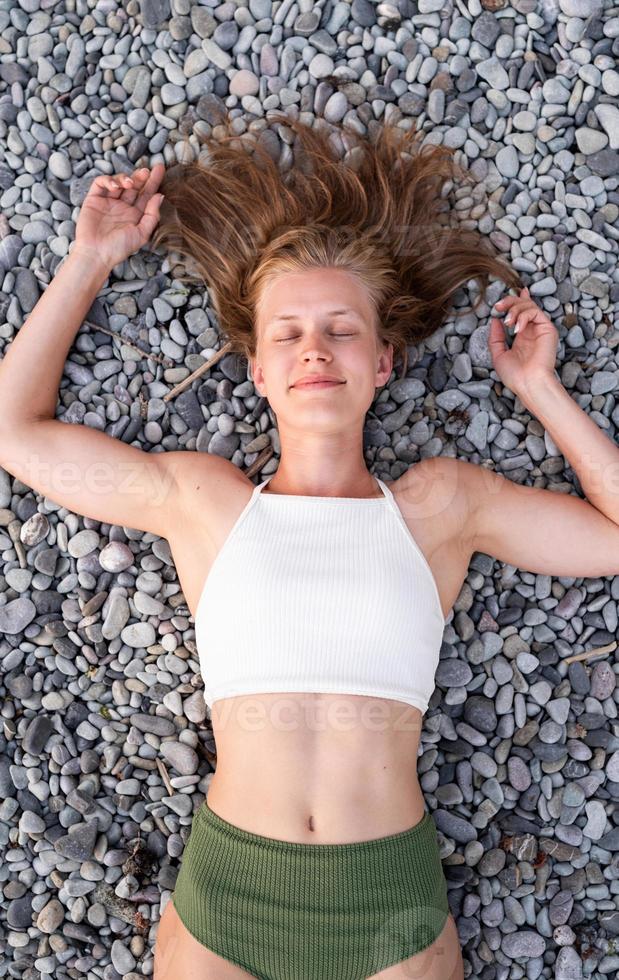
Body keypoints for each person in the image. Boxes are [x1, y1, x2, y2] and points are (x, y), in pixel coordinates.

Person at [1, 111, 617, 980]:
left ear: (383, 363)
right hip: (231, 894)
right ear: (257, 371)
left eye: (341, 330)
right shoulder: (203, 501)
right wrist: (90, 258)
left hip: (386, 901)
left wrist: (539, 389)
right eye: (286, 334)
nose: (314, 351)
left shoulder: (440, 507)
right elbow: (14, 432)